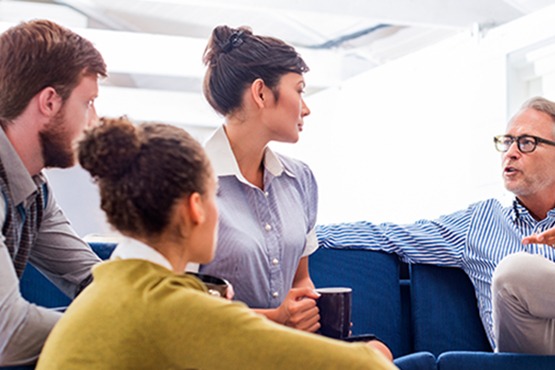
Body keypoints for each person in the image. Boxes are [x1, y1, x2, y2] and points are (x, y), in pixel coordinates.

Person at [36, 116, 395, 369]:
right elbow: (365, 365)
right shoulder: (174, 307)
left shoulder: (110, 286)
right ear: (196, 208)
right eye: (214, 197)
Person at [317, 96, 555, 355]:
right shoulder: (479, 223)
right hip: (530, 355)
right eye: (507, 141)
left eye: (527, 142)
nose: (510, 152)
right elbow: (391, 236)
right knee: (515, 270)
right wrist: (301, 235)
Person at [198, 25, 321, 332]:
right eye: (299, 90)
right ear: (261, 93)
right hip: (221, 350)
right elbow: (180, 304)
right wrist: (278, 318)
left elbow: (300, 279)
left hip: (285, 346)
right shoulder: (188, 182)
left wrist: (306, 312)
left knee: (378, 351)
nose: (306, 109)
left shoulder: (300, 179)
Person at [0, 20, 106, 366]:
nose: (94, 121)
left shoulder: (34, 189)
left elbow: (94, 279)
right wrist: (123, 328)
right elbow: (9, 334)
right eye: (87, 103)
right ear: (49, 102)